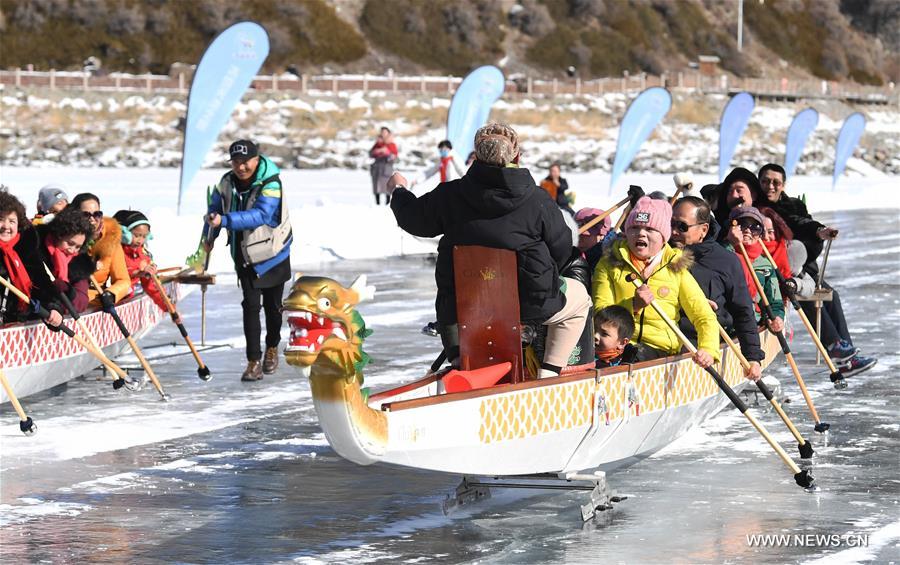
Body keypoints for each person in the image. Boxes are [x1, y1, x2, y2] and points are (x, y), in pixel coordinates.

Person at [388, 122, 591, 379]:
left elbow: (413, 219)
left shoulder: (451, 195)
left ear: (477, 155)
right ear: (516, 156)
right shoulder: (538, 200)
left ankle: (461, 361)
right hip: (529, 306)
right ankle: (549, 373)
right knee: (581, 298)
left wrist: (398, 189)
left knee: (454, 303)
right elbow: (562, 251)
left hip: (464, 307)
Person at [757, 163, 875, 375]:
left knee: (832, 295)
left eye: (776, 182)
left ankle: (847, 355)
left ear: (783, 185)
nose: (770, 187)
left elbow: (802, 222)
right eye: (765, 181)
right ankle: (834, 346)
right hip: (777, 265)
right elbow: (794, 223)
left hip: (800, 263)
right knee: (808, 295)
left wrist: (819, 231)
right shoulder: (759, 208)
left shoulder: (792, 205)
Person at [202, 139, 293, 382]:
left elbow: (262, 215)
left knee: (274, 308)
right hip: (244, 254)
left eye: (245, 162)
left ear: (256, 159)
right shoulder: (226, 182)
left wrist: (225, 221)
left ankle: (272, 347)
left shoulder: (272, 183)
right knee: (250, 306)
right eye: (236, 162)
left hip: (274, 252)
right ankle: (253, 361)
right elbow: (214, 211)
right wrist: (208, 236)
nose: (241, 167)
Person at [592, 196, 719, 367]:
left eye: (649, 229)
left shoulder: (676, 267)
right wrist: (633, 306)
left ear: (663, 237)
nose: (641, 233)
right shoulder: (608, 263)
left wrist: (708, 350)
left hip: (658, 348)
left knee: (636, 354)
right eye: (635, 227)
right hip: (612, 345)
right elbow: (600, 311)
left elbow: (703, 316)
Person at [670, 196, 763, 380]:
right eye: (670, 223)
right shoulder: (660, 254)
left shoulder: (726, 261)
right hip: (666, 340)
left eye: (682, 226)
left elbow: (742, 312)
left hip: (703, 346)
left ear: (703, 229)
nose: (673, 231)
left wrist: (752, 357)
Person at [0, 189, 63, 327]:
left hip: (18, 329)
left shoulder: (25, 251)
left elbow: (43, 285)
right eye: (0, 220)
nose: (6, 226)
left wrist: (53, 308)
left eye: (12, 221)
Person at [723, 206, 784, 332]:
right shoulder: (720, 254)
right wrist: (731, 243)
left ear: (760, 234)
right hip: (726, 326)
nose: (747, 230)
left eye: (755, 228)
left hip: (752, 324)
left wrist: (776, 318)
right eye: (742, 224)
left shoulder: (765, 264)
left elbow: (775, 303)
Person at [70, 193, 131, 311]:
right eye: (86, 215)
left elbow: (123, 280)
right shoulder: (67, 240)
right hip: (70, 302)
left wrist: (111, 294)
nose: (92, 220)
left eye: (97, 214)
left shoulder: (110, 239)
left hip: (96, 301)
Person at [36, 206, 96, 314]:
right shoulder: (35, 249)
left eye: (78, 247)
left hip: (57, 318)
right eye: (70, 243)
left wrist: (69, 291)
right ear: (58, 235)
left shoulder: (79, 264)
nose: (72, 250)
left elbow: (81, 302)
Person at [113, 210, 169, 314]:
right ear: (123, 233)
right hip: (109, 300)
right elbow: (118, 274)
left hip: (124, 303)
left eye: (144, 236)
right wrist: (138, 273)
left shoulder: (143, 256)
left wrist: (168, 307)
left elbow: (152, 286)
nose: (140, 241)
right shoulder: (113, 251)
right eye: (136, 235)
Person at [700, 167, 762, 234]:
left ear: (753, 195)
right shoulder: (715, 229)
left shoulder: (767, 224)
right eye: (730, 191)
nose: (734, 195)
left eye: (739, 190)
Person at [574, 207, 613, 273]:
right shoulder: (569, 253)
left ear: (601, 236)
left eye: (582, 235)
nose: (577, 238)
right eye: (574, 234)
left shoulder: (605, 262)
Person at [369, 126, 398, 205]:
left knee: (387, 186)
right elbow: (371, 153)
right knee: (376, 186)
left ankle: (387, 204)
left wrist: (387, 153)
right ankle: (377, 204)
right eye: (382, 132)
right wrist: (377, 151)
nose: (383, 134)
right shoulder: (377, 143)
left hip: (386, 168)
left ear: (388, 133)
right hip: (376, 168)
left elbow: (394, 156)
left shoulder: (391, 144)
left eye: (385, 132)